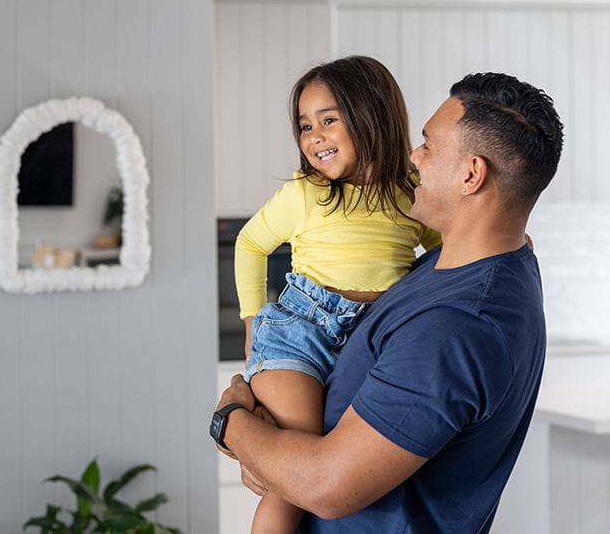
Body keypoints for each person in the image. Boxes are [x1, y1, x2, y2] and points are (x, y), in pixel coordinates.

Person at [211, 71, 564, 533]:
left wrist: (232, 422)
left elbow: (325, 487)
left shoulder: (456, 326)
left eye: (428, 145)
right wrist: (275, 455)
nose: (413, 156)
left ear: (471, 174)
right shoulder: (452, 268)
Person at [234, 56, 441, 533]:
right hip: (297, 335)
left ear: (372, 115)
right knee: (293, 476)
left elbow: (445, 253)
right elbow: (250, 244)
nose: (314, 137)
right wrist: (252, 327)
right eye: (305, 126)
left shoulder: (412, 193)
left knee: (354, 469)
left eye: (329, 119)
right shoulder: (305, 193)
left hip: (372, 340)